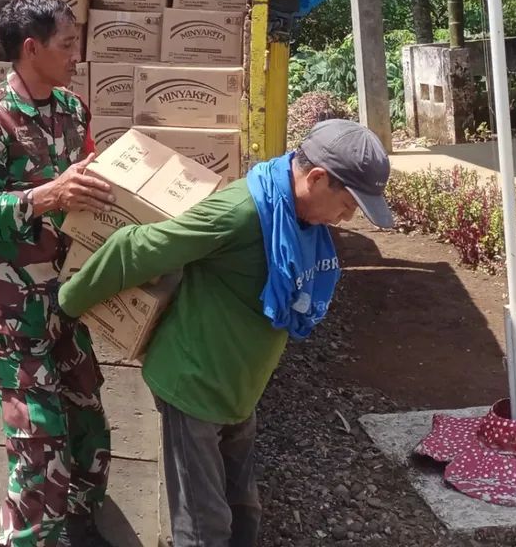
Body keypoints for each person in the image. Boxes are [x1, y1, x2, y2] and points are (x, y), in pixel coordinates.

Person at [58, 118, 393, 547]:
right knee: (204, 526)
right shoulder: (243, 213)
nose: (349, 218)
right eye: (349, 204)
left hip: (238, 389)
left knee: (243, 510)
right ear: (317, 178)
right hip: (194, 386)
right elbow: (134, 247)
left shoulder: (297, 222)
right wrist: (67, 304)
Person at [0, 0, 117, 547]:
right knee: (37, 443)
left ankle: (76, 526)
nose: (78, 54)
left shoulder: (72, 110)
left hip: (68, 295)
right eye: (67, 44)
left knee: (88, 423)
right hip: (10, 305)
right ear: (32, 48)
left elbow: (87, 182)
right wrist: (44, 197)